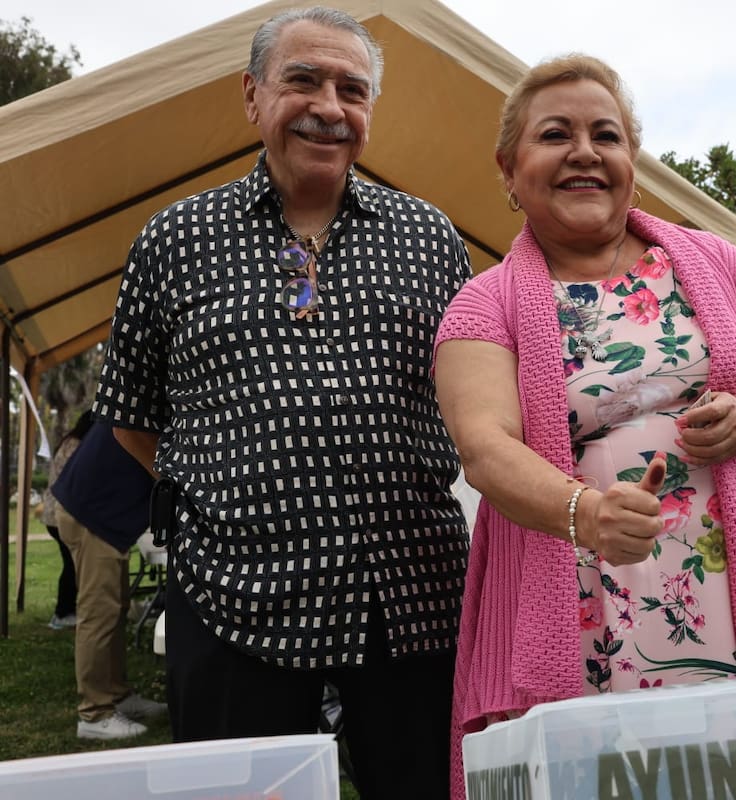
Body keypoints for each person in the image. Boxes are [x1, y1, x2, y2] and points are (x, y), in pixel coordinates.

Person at [91, 7, 471, 797]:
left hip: (412, 595)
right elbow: (130, 413)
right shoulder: (175, 240)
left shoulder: (431, 237)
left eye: (352, 90)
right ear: (252, 95)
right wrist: (234, 494)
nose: (329, 107)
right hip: (236, 597)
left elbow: (476, 392)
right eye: (303, 80)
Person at [433, 54, 736, 798]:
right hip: (581, 601)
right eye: (556, 134)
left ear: (632, 161)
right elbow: (485, 450)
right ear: (509, 169)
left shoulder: (715, 261)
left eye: (606, 135)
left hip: (727, 590)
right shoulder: (482, 305)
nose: (585, 152)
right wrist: (585, 514)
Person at [53, 419, 166, 739]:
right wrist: (171, 478)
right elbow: (131, 435)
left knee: (114, 608)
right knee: (99, 614)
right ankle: (94, 713)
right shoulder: (150, 398)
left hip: (100, 510)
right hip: (93, 511)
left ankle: (117, 694)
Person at [41, 411, 93, 630]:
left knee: (71, 565)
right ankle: (63, 613)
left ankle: (66, 611)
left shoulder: (69, 442)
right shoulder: (76, 446)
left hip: (54, 514)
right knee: (72, 566)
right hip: (60, 515)